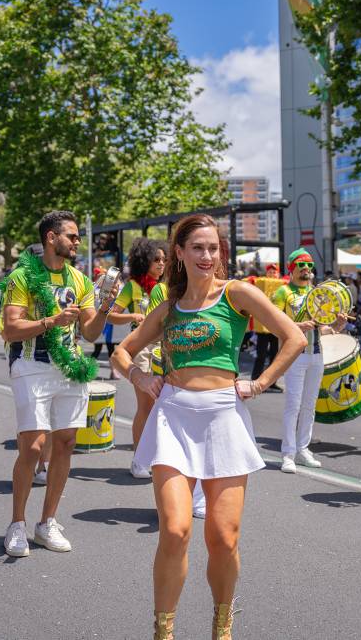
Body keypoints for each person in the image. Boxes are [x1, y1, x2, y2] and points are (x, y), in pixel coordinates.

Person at [111, 214, 304, 640]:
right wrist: (141, 379)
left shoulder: (237, 293)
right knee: (176, 529)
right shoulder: (167, 306)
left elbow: (294, 338)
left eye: (214, 248)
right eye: (197, 247)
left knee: (222, 537)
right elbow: (121, 353)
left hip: (224, 417)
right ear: (179, 252)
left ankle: (222, 626)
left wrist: (260, 383)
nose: (207, 255)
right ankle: (164, 631)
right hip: (173, 417)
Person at [0, 210, 118, 558]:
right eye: (71, 236)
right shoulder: (22, 276)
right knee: (33, 447)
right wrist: (51, 321)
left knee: (65, 443)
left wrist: (107, 306)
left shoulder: (80, 280)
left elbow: (91, 332)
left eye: (78, 236)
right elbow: (9, 328)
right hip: (31, 365)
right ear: (51, 238)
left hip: (70, 367)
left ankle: (47, 522)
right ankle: (17, 524)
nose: (77, 242)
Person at [273, 248, 346, 474]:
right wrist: (298, 326)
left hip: (316, 353)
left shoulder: (317, 293)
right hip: (294, 356)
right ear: (292, 268)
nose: (307, 269)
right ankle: (288, 453)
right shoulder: (283, 292)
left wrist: (336, 327)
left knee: (309, 405)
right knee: (293, 405)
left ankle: (303, 449)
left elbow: (322, 327)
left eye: (310, 266)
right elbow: (273, 323)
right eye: (302, 265)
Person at [107, 238, 167, 478]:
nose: (161, 264)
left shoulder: (166, 287)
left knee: (162, 407)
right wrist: (133, 315)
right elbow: (111, 315)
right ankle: (139, 460)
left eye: (164, 259)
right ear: (144, 261)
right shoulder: (133, 287)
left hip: (165, 348)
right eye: (156, 259)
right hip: (141, 348)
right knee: (146, 405)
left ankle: (157, 456)